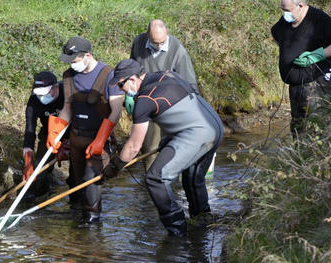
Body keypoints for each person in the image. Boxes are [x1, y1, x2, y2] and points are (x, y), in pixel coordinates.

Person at [103, 59, 223, 236]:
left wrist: (113, 169)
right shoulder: (168, 74)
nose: (121, 90)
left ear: (133, 80)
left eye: (121, 85)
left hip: (197, 134)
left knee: (155, 178)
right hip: (215, 127)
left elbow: (134, 146)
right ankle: (202, 225)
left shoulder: (144, 101)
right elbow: (183, 107)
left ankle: (178, 230)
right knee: (191, 178)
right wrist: (173, 139)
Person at [46, 36, 124, 223]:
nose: (72, 65)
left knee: (91, 179)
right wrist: (55, 132)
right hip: (76, 139)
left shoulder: (109, 74)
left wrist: (101, 139)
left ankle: (92, 223)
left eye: (75, 61)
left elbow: (116, 110)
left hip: (99, 141)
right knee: (77, 184)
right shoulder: (68, 76)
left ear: (87, 55)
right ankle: (77, 227)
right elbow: (67, 108)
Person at [130, 19, 199, 169]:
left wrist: (195, 110)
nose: (159, 46)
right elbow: (132, 69)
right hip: (147, 105)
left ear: (167, 33)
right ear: (147, 35)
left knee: (174, 147)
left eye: (162, 42)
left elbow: (190, 83)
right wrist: (129, 94)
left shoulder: (177, 49)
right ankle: (151, 183)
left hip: (171, 106)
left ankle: (174, 181)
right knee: (149, 149)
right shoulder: (138, 43)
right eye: (155, 43)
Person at [271, 0, 331, 138]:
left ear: (301, 6)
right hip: (296, 83)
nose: (285, 14)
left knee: (313, 126)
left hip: (316, 81)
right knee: (297, 126)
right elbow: (276, 34)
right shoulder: (287, 19)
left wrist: (317, 55)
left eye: (287, 10)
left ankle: (315, 156)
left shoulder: (319, 20)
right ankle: (299, 156)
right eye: (283, 10)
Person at [22, 71, 71, 198]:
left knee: (78, 171)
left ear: (55, 87)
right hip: (48, 132)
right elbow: (30, 132)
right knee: (39, 168)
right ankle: (38, 195)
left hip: (73, 130)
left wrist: (68, 143)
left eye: (45, 94)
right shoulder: (34, 101)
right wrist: (28, 163)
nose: (41, 98)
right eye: (39, 95)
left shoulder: (68, 92)